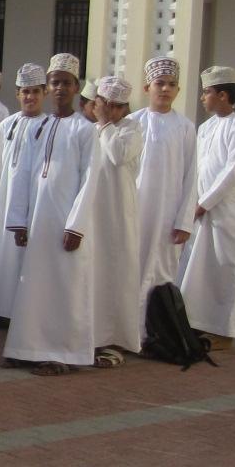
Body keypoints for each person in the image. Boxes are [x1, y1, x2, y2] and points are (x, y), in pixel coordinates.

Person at [1, 54, 99, 375]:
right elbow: (24, 174)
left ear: (76, 87)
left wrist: (77, 225)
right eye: (54, 83)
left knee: (65, 286)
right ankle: (27, 348)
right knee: (34, 285)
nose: (59, 89)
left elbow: (90, 180)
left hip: (66, 223)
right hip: (38, 221)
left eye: (65, 83)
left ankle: (62, 353)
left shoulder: (86, 130)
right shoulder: (39, 126)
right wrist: (19, 219)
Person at [179, 66, 235, 348]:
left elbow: (231, 173)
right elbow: (198, 168)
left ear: (222, 95)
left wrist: (204, 203)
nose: (202, 98)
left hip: (224, 212)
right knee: (200, 269)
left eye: (206, 92)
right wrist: (193, 202)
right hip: (200, 210)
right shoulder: (206, 128)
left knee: (224, 269)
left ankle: (224, 332)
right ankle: (199, 323)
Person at [131, 56, 197, 309]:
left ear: (178, 90)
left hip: (168, 215)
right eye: (160, 83)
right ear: (147, 88)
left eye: (172, 84)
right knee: (131, 268)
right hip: (135, 210)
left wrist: (184, 221)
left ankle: (157, 334)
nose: (166, 89)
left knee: (162, 272)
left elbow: (191, 176)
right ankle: (128, 334)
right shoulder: (133, 123)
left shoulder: (185, 127)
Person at [0, 64, 47, 326]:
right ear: (18, 93)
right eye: (25, 92)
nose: (30, 97)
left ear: (44, 93)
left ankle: (20, 313)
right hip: (2, 199)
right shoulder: (6, 124)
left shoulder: (49, 125)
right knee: (0, 252)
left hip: (31, 202)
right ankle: (0, 309)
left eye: (35, 91)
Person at [88, 76, 143, 363]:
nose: (111, 111)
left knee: (117, 273)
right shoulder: (90, 129)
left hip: (119, 214)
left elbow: (118, 155)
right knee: (93, 273)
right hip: (93, 212)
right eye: (105, 105)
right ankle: (91, 335)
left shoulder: (132, 130)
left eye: (117, 107)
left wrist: (107, 124)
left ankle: (115, 338)